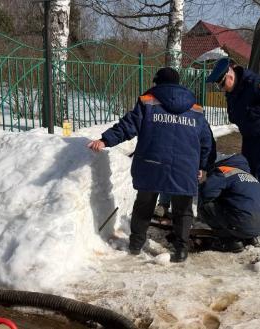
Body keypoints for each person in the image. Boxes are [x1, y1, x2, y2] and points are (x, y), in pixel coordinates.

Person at [88, 67, 213, 263]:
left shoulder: (148, 101)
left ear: (158, 82)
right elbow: (207, 141)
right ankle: (180, 250)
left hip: (152, 164)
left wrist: (105, 140)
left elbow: (128, 125)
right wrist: (203, 166)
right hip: (184, 167)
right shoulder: (195, 109)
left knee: (144, 205)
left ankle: (136, 245)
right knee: (183, 209)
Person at [206, 57, 260, 234]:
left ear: (229, 76)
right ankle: (255, 215)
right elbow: (234, 113)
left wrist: (252, 112)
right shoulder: (232, 90)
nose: (221, 89)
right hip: (250, 138)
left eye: (221, 85)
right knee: (250, 178)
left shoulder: (253, 82)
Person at [198, 153, 260, 252]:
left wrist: (202, 184)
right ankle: (249, 238)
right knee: (238, 204)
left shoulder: (223, 171)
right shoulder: (248, 175)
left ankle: (228, 241)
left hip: (244, 222)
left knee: (206, 206)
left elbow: (206, 193)